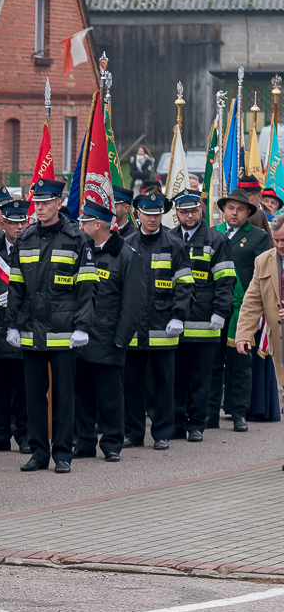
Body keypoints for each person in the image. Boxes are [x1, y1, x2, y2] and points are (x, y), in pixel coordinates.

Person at [5, 177, 96, 473]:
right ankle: (38, 452)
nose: (40, 208)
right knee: (34, 397)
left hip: (64, 330)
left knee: (64, 396)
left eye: (45, 203)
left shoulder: (77, 238)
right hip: (31, 330)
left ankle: (63, 454)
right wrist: (13, 325)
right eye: (37, 203)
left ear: (59, 203)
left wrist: (83, 326)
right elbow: (16, 287)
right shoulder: (25, 238)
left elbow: (87, 288)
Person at [121, 188, 193, 450]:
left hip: (164, 327)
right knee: (132, 384)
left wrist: (178, 316)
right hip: (134, 328)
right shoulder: (126, 243)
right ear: (137, 213)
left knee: (164, 384)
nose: (153, 219)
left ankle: (162, 432)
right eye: (148, 214)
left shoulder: (175, 245)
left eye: (157, 214)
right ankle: (133, 432)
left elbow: (185, 284)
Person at [73, 200, 144, 461]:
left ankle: (113, 443)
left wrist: (121, 338)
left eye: (84, 223)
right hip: (81, 338)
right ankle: (84, 442)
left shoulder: (126, 255)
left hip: (108, 338)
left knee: (110, 397)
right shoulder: (81, 250)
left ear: (97, 225)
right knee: (82, 396)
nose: (79, 226)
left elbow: (133, 301)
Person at [168, 189, 235, 442]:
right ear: (177, 213)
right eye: (184, 211)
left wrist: (220, 311)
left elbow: (225, 281)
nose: (189, 215)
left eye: (194, 211)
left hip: (206, 322)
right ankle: (176, 423)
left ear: (201, 210)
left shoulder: (216, 240)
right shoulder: (169, 238)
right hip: (175, 323)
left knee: (201, 378)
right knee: (176, 377)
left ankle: (197, 423)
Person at [208, 188, 273, 431]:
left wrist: (258, 310)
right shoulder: (213, 233)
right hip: (215, 308)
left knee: (241, 363)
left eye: (240, 209)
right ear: (223, 210)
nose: (235, 213)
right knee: (213, 363)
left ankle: (239, 414)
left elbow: (263, 276)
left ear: (248, 212)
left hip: (242, 310)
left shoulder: (258, 237)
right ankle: (210, 414)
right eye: (231, 208)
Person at [0, 200, 29, 453]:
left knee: (24, 389)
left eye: (22, 222)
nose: (19, 227)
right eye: (13, 222)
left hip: (23, 329)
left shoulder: (34, 247)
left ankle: (24, 436)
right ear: (4, 224)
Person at [235, 215, 284, 390]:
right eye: (276, 240)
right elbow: (252, 302)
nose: (279, 245)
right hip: (279, 344)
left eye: (283, 240)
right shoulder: (263, 261)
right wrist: (243, 335)